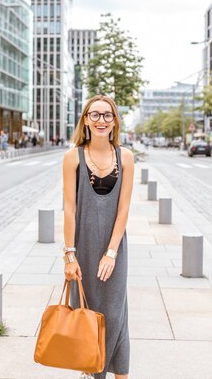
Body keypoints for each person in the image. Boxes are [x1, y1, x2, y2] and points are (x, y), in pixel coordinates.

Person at [61, 95, 134, 379]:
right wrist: (69, 255)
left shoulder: (125, 157)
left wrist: (112, 252)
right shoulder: (73, 157)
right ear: (85, 120)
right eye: (95, 115)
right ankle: (92, 370)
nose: (101, 120)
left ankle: (119, 373)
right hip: (83, 246)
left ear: (115, 121)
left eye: (107, 115)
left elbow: (124, 208)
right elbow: (69, 208)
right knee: (87, 312)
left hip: (114, 248)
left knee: (116, 313)